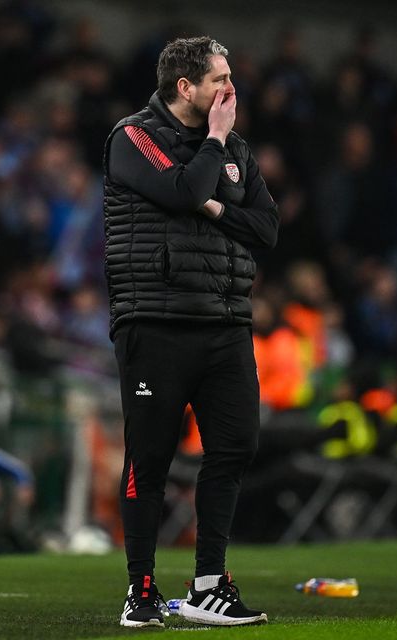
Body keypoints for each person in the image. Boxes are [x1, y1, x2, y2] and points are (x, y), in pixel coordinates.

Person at [103, 36, 278, 627]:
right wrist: (212, 148)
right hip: (155, 320)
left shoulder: (235, 150)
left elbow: (268, 228)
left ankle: (208, 584)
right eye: (219, 80)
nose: (230, 91)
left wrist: (216, 208)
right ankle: (142, 591)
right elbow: (181, 190)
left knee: (236, 445)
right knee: (149, 458)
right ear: (186, 87)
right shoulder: (133, 138)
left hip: (226, 321)